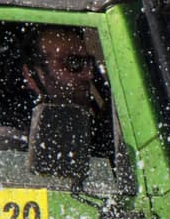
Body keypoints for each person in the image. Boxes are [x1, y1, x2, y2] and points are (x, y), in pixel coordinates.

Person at [22, 26, 111, 155]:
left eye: (89, 63)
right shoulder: (12, 142)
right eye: (73, 62)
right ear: (31, 75)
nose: (89, 74)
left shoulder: (94, 128)